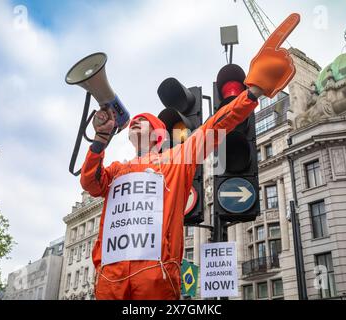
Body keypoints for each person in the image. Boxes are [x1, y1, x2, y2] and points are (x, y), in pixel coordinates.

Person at [80, 13, 300, 300]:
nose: (135, 122)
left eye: (143, 120)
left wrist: (252, 93)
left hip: (155, 278)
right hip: (110, 278)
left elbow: (216, 126)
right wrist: (100, 140)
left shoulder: (178, 158)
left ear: (159, 135)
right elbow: (90, 184)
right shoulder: (117, 170)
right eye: (134, 121)